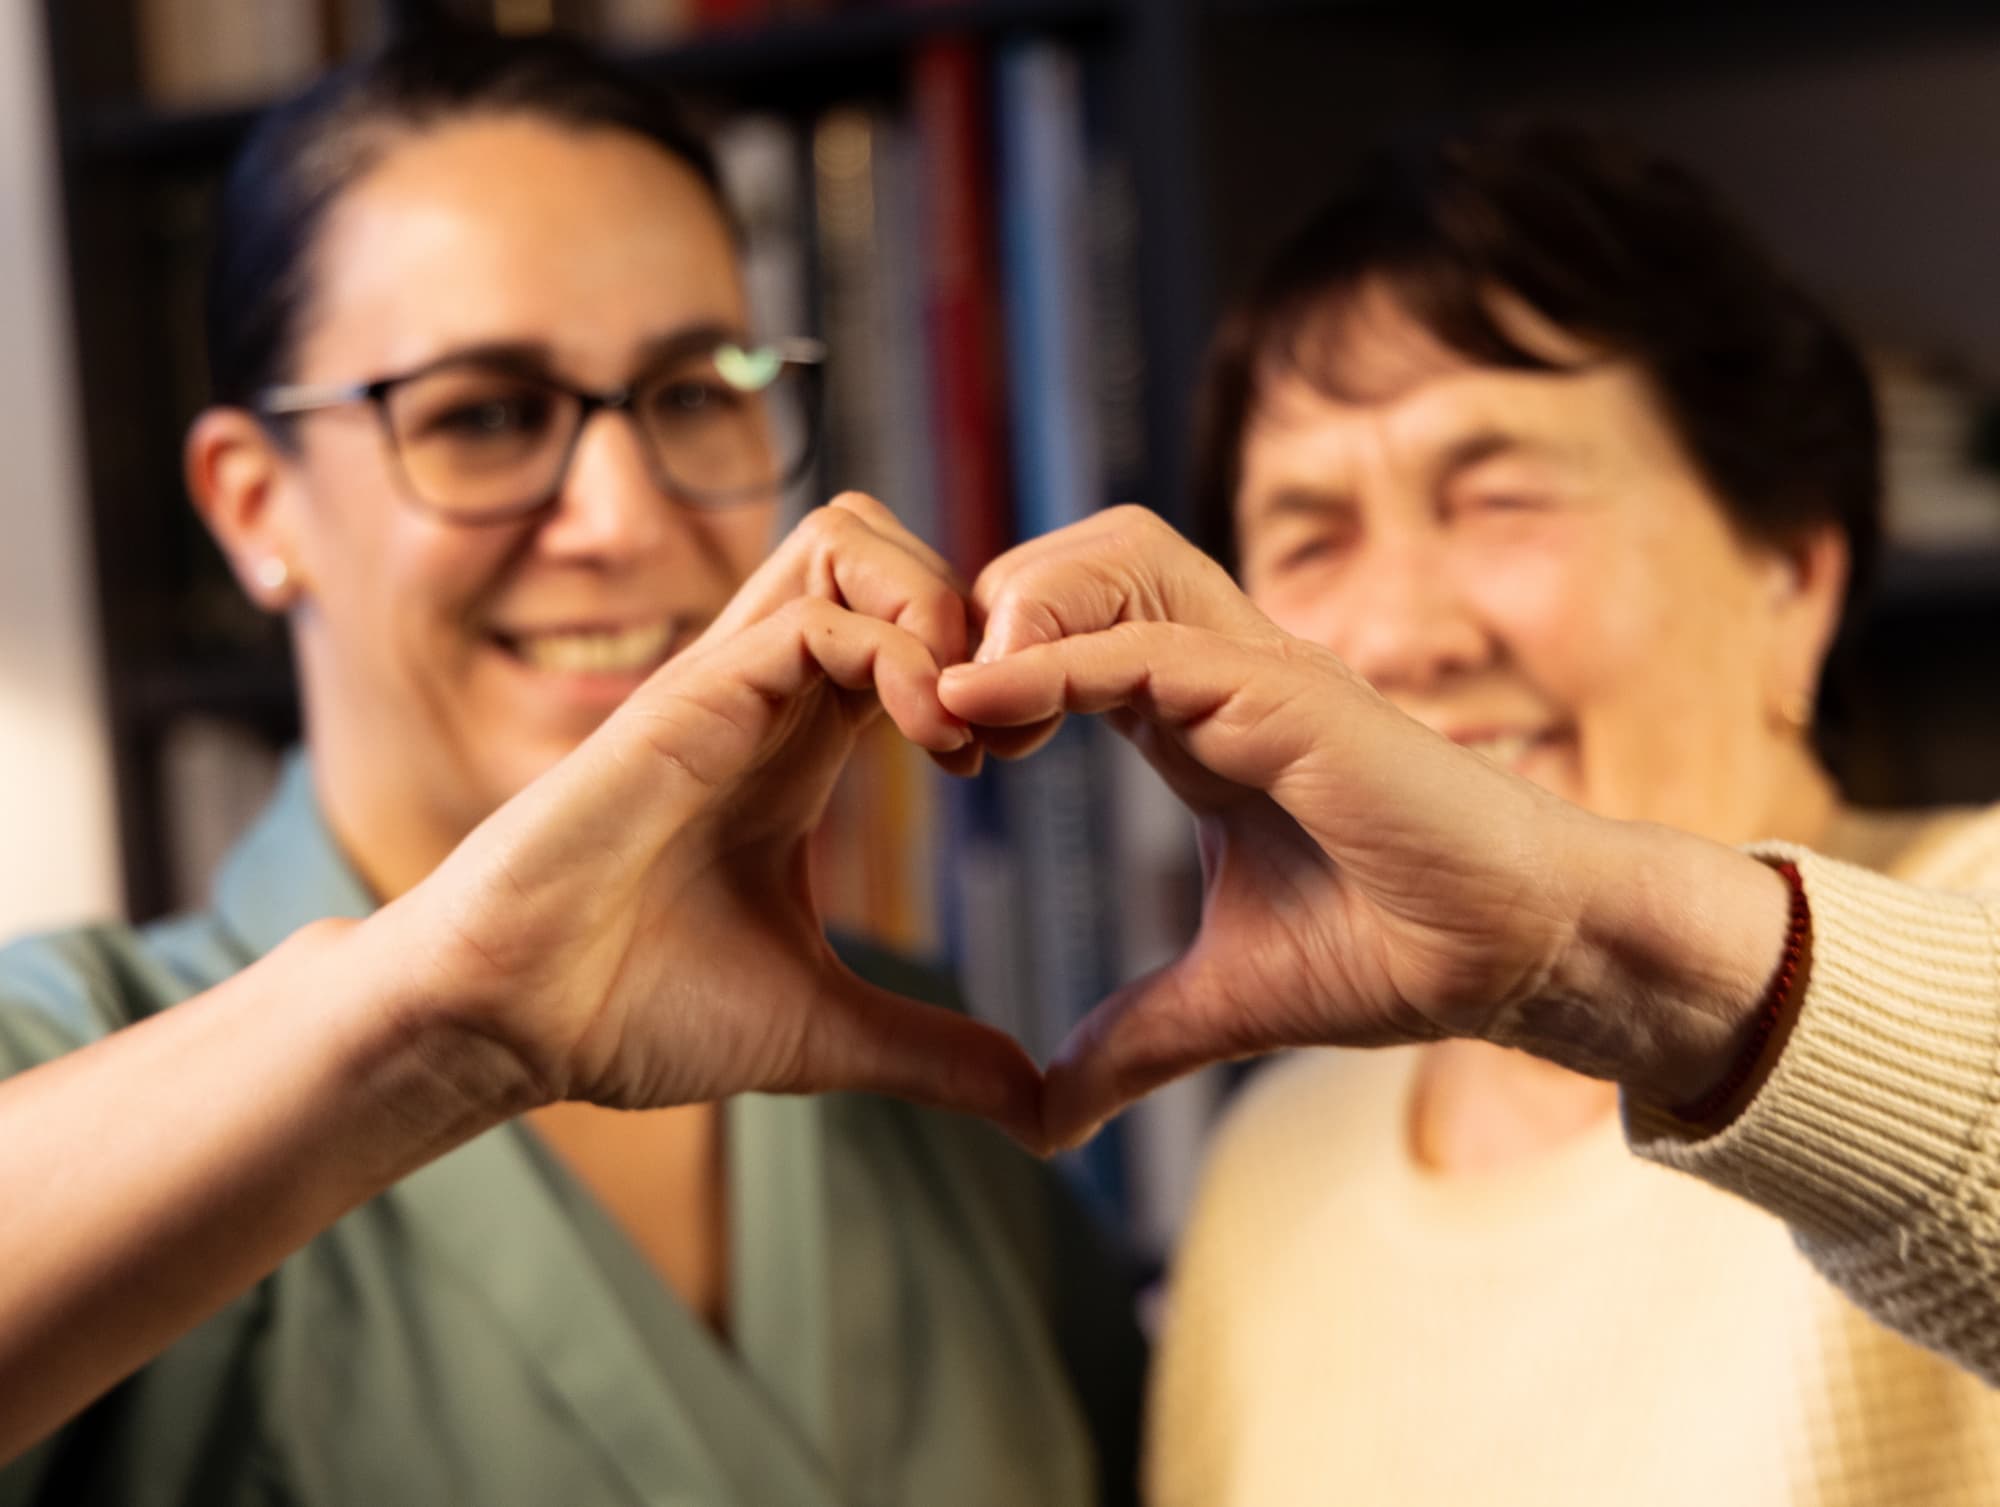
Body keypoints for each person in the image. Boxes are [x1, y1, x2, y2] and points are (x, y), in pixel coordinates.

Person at [0, 29, 1144, 1502]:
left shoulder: (925, 1067)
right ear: (251, 503)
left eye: (691, 393)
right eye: (484, 415)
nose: (618, 517)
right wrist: (436, 1021)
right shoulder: (81, 1049)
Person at [939, 122, 2000, 1502]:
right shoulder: (1278, 1160)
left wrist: (1595, 950)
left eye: (1499, 498)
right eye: (1312, 538)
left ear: (1791, 575)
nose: (1399, 634)